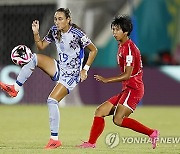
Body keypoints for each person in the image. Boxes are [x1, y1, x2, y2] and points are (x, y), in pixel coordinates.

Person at [0, 8, 97, 149]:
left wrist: (85, 69)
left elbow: (94, 50)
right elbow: (40, 46)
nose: (57, 22)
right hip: (59, 67)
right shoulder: (54, 31)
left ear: (68, 19)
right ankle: (15, 88)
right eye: (55, 19)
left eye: (60, 19)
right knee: (34, 58)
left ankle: (54, 139)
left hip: (72, 74)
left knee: (52, 101)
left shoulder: (77, 34)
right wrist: (36, 33)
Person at [77, 15, 159, 149]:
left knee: (118, 120)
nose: (114, 33)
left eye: (117, 30)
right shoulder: (122, 45)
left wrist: (106, 80)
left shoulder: (129, 50)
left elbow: (127, 74)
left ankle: (152, 133)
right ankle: (91, 143)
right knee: (100, 111)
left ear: (125, 32)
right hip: (127, 89)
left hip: (134, 89)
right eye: (113, 29)